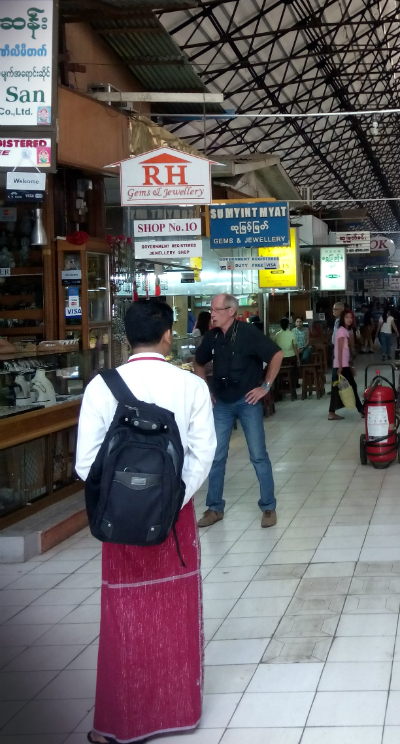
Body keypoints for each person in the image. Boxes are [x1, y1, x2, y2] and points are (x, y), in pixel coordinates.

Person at [76, 300, 216, 744]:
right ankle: (177, 710)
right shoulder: (189, 385)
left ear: (126, 338)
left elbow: (86, 464)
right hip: (176, 519)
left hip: (120, 520)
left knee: (124, 614)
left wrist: (128, 496)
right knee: (174, 608)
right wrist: (171, 500)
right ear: (168, 335)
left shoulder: (102, 387)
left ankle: (120, 722)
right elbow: (202, 455)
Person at [194, 293, 284, 529]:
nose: (211, 313)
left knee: (258, 455)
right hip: (221, 403)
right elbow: (198, 362)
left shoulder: (247, 333)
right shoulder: (212, 337)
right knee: (216, 456)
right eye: (211, 309)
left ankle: (268, 507)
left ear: (231, 311)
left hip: (248, 401)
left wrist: (265, 386)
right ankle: (214, 508)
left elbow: (276, 354)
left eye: (216, 309)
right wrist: (206, 389)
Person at [329, 307, 362, 419]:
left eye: (351, 317)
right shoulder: (342, 331)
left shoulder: (344, 331)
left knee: (337, 388)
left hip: (343, 364)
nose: (349, 319)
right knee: (352, 386)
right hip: (341, 365)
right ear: (342, 319)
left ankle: (331, 412)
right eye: (347, 317)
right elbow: (339, 350)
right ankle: (361, 410)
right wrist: (339, 367)